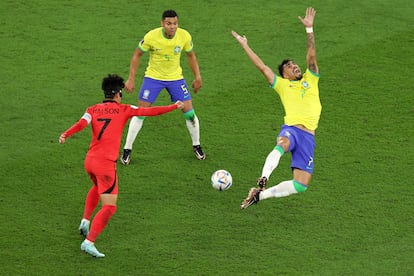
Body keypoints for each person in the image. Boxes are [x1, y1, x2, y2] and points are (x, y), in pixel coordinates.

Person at [59, 74, 184, 257]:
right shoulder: (124, 109)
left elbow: (81, 124)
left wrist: (66, 134)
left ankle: (85, 221)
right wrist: (174, 106)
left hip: (90, 161)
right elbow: (150, 111)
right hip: (105, 165)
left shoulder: (92, 109)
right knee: (109, 206)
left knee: (97, 187)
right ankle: (89, 242)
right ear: (118, 93)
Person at [232, 7, 322, 209]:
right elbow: (262, 67)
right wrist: (245, 45)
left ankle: (259, 196)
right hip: (292, 129)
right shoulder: (281, 85)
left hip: (309, 137)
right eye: (289, 66)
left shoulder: (311, 78)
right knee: (282, 144)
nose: (295, 66)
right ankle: (263, 177)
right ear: (284, 75)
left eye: (294, 64)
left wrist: (309, 30)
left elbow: (311, 55)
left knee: (301, 185)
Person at [120, 9, 205, 165]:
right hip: (153, 78)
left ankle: (197, 145)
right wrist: (131, 79)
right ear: (162, 24)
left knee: (189, 112)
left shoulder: (184, 36)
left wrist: (197, 77)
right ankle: (127, 149)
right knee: (141, 112)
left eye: (175, 23)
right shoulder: (151, 36)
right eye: (169, 24)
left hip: (176, 79)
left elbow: (191, 55)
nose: (172, 27)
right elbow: (137, 55)